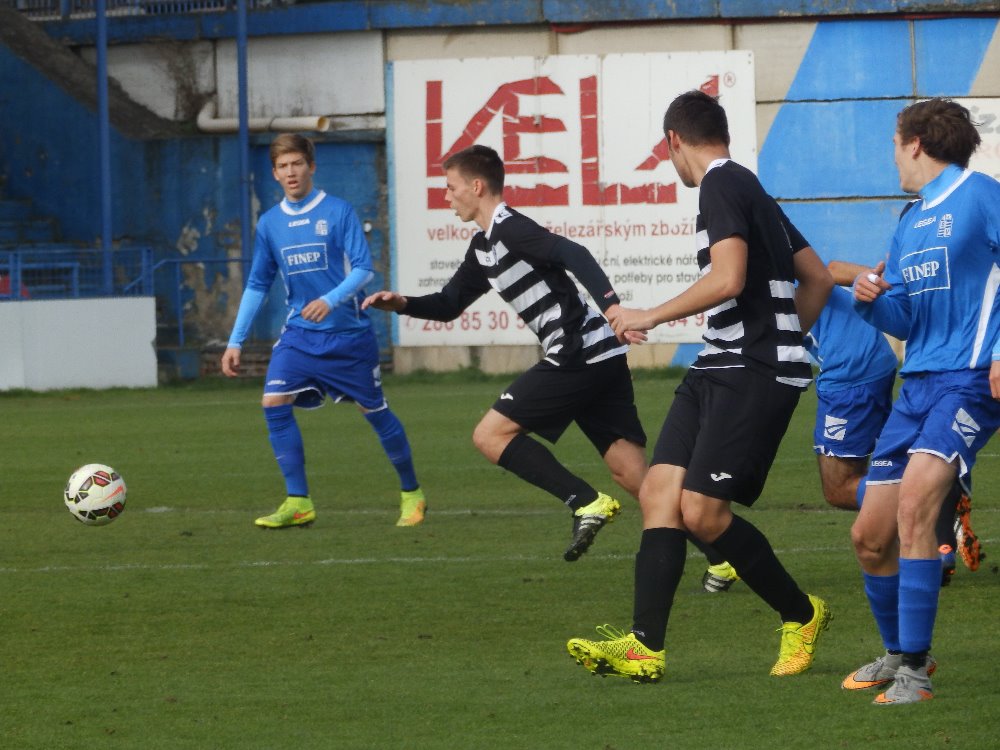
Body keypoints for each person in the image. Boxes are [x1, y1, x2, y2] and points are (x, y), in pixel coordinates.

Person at [566, 89, 834, 683]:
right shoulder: (747, 187)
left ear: (674, 141)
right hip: (718, 364)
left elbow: (729, 277)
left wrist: (651, 315)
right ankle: (644, 648)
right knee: (660, 495)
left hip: (750, 372)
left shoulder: (720, 184)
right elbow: (816, 278)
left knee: (704, 515)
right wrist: (784, 335)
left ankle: (802, 614)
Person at [362, 144, 647, 562]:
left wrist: (613, 307)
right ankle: (721, 551)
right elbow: (449, 304)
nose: (446, 196)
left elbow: (574, 253)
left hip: (577, 350)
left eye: (451, 187)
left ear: (476, 187)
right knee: (632, 473)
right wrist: (402, 303)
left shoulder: (510, 228)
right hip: (599, 354)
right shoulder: (484, 247)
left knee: (490, 435)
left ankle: (586, 502)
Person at [843, 98, 1000, 705]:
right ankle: (899, 652)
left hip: (969, 380)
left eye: (894, 143)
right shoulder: (910, 220)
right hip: (917, 385)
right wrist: (869, 300)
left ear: (915, 143)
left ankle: (915, 671)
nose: (893, 156)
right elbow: (906, 319)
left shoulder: (982, 195)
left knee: (914, 508)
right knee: (869, 534)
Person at [221, 133, 426, 529]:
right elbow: (258, 284)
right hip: (299, 335)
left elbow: (364, 269)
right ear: (275, 173)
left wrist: (330, 300)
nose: (291, 172)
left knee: (375, 412)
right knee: (273, 402)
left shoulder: (338, 211)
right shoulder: (270, 224)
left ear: (311, 167)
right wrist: (235, 341)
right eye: (283, 166)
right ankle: (298, 501)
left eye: (297, 163)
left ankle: (411, 493)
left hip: (349, 336)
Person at [807, 262, 983, 586]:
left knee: (839, 487)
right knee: (892, 462)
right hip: (865, 367)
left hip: (850, 375)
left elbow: (828, 270)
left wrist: (876, 281)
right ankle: (936, 521)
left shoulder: (765, 269)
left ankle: (936, 497)